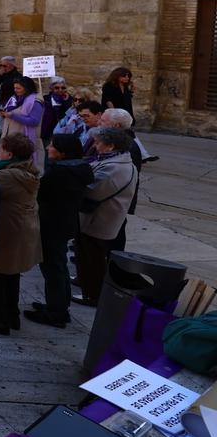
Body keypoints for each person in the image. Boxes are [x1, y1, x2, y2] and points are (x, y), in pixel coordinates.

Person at [0, 133, 41, 336]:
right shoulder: (26, 169)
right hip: (20, 227)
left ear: (10, 153)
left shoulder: (7, 176)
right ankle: (11, 314)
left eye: (2, 149)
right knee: (10, 274)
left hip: (6, 230)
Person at [25, 134, 92, 328]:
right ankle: (59, 305)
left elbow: (41, 195)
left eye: (52, 146)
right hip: (64, 223)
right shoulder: (78, 168)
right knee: (58, 264)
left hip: (52, 224)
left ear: (63, 152)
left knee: (53, 267)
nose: (48, 148)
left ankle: (56, 312)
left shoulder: (60, 172)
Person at [74, 127, 137, 307]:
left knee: (93, 260)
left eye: (99, 142)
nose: (95, 145)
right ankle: (87, 287)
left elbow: (94, 191)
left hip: (100, 221)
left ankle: (93, 295)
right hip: (97, 220)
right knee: (87, 256)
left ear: (110, 146)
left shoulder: (116, 167)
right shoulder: (114, 161)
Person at [0, 77, 45, 171]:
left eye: (18, 88)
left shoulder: (35, 102)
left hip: (23, 142)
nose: (15, 90)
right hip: (12, 138)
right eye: (15, 88)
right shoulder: (16, 99)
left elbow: (34, 121)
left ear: (27, 88)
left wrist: (12, 116)